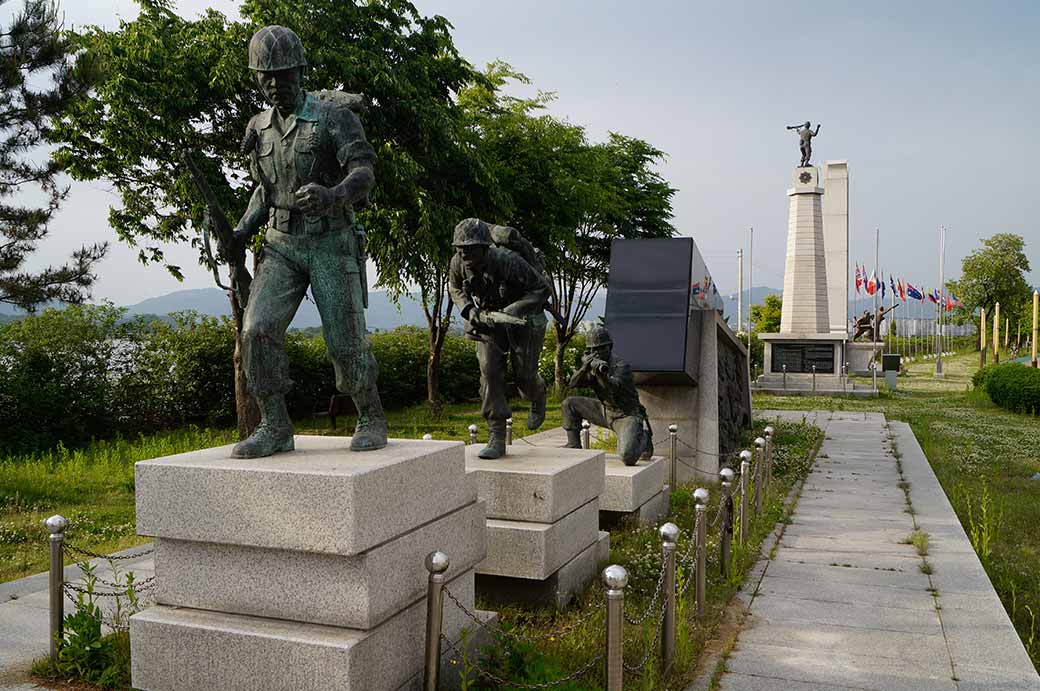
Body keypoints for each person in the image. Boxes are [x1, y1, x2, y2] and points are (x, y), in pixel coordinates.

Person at [228, 25, 386, 458]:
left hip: (330, 241)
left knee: (344, 337)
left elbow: (364, 171)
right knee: (256, 330)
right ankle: (275, 425)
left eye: (284, 75)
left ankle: (370, 414)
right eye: (267, 77)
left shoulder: (334, 117)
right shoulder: (258, 128)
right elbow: (264, 189)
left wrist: (334, 195)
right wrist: (241, 231)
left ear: (301, 71)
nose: (276, 85)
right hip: (281, 244)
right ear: (256, 79)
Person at [448, 218, 549, 459]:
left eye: (469, 247)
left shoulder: (508, 260)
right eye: (460, 248)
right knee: (489, 371)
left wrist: (514, 309)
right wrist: (470, 311)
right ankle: (497, 435)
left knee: (524, 377)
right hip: (488, 321)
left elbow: (542, 289)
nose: (463, 252)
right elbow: (455, 289)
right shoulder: (457, 263)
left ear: (484, 247)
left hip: (523, 319)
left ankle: (538, 392)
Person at [561, 327, 653, 466]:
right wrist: (583, 368)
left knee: (627, 457)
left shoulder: (621, 366)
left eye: (599, 349)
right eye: (591, 350)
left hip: (626, 415)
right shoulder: (591, 365)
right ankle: (574, 446)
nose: (595, 354)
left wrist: (601, 374)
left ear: (609, 347)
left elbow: (612, 389)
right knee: (569, 404)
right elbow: (572, 384)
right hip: (604, 410)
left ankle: (644, 438)